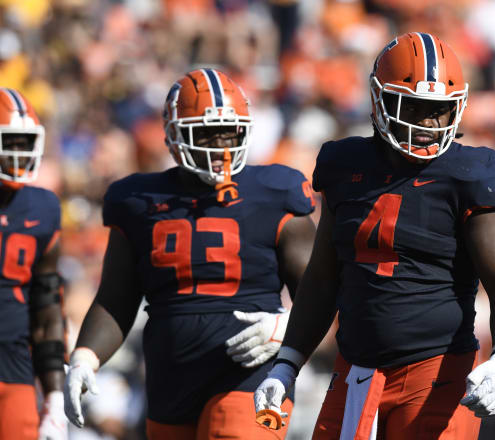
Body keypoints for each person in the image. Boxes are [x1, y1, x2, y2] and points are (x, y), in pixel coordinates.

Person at [254, 32, 495, 440]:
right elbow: (324, 275)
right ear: (379, 100)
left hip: (436, 375)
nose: (429, 123)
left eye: (440, 111)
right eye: (415, 108)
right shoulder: (344, 165)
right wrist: (288, 362)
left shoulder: (472, 173)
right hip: (355, 374)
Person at [63, 68, 316, 439]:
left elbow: (321, 289)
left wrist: (288, 326)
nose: (220, 145)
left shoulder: (276, 191)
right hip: (170, 375)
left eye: (230, 132)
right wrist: (85, 356)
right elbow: (117, 297)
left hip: (252, 370)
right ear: (174, 135)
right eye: (206, 133)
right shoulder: (137, 201)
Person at [0, 88, 68, 439]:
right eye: (9, 141)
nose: (18, 152)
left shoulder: (42, 208)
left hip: (15, 367)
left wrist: (54, 398)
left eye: (25, 142)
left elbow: (47, 307)